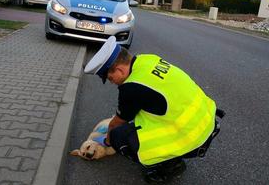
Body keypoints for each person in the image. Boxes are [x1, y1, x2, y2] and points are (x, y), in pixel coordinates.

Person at [84, 36, 224, 183]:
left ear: (119, 70)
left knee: (117, 136)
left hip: (193, 137)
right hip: (206, 121)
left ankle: (170, 166)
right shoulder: (148, 59)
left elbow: (115, 124)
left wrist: (106, 142)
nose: (112, 83)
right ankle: (173, 155)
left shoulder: (131, 88)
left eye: (110, 78)